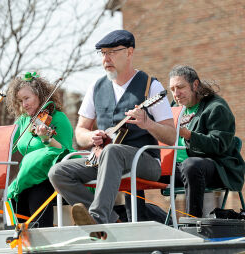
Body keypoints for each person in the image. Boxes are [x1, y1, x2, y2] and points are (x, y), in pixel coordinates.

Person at [48, 29, 176, 229]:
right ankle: (110, 218)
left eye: (112, 52)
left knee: (112, 151)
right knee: (58, 172)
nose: (106, 59)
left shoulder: (151, 86)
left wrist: (148, 123)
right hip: (103, 160)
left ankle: (97, 219)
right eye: (103, 53)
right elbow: (80, 133)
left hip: (146, 161)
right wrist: (91, 136)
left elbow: (171, 136)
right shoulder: (96, 87)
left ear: (129, 52)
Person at [169, 65, 245, 218]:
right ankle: (138, 221)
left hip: (217, 167)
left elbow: (218, 145)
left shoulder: (216, 107)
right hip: (176, 168)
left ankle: (193, 222)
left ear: (195, 85)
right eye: (172, 89)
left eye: (180, 87)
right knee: (138, 166)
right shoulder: (173, 108)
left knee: (191, 165)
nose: (176, 94)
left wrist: (187, 134)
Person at [6, 72, 75, 227]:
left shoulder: (58, 118)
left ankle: (43, 235)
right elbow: (9, 141)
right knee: (16, 192)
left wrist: (46, 138)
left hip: (52, 176)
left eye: (27, 98)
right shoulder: (24, 121)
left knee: (36, 190)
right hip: (31, 175)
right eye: (20, 101)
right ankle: (23, 237)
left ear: (40, 95)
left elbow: (65, 152)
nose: (24, 105)